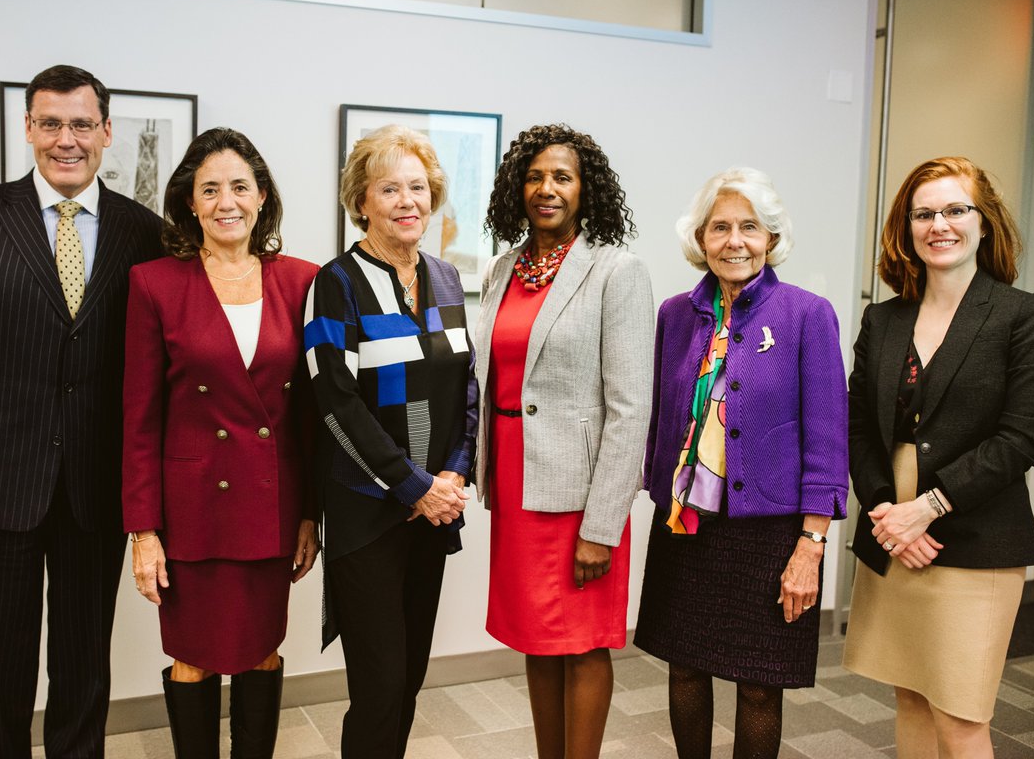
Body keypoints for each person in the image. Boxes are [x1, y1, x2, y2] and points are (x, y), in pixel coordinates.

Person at [0, 65, 164, 757]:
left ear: (106, 132)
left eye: (80, 124)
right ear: (28, 129)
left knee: (83, 671)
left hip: (93, 490)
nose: (65, 139)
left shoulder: (145, 232)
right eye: (50, 123)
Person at [844, 157, 1034, 758]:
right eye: (924, 213)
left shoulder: (1024, 316)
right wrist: (888, 512)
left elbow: (1022, 439)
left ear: (984, 223)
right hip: (892, 527)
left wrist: (926, 509)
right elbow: (859, 427)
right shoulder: (883, 320)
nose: (940, 224)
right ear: (907, 227)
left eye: (956, 210)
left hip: (975, 533)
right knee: (910, 696)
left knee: (962, 716)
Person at [636, 167, 848, 758]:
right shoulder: (676, 315)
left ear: (771, 238)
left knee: (758, 686)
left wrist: (812, 546)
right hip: (686, 523)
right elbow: (662, 417)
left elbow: (828, 441)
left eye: (749, 227)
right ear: (700, 239)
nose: (735, 240)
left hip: (771, 531)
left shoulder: (808, 315)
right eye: (720, 227)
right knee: (684, 669)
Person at [122, 127, 320, 758]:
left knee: (262, 652)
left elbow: (313, 418)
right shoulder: (154, 283)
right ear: (189, 202)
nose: (225, 201)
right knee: (193, 659)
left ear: (262, 197)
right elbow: (139, 418)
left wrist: (311, 513)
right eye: (209, 189)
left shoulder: (303, 281)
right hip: (192, 512)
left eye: (239, 186)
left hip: (271, 504)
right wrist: (144, 531)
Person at [473, 123, 654, 758]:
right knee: (536, 636)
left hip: (580, 497)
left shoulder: (617, 271)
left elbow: (630, 408)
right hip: (519, 483)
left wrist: (602, 524)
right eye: (534, 177)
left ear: (586, 190)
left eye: (562, 177)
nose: (546, 189)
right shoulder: (506, 267)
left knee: (581, 642)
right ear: (515, 189)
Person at [304, 124, 477, 758]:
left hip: (433, 512)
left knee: (408, 684)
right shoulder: (338, 282)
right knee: (378, 687)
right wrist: (412, 486)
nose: (408, 201)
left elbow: (466, 387)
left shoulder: (447, 279)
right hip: (368, 514)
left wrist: (453, 477)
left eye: (418, 188)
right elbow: (334, 400)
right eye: (389, 188)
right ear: (362, 200)